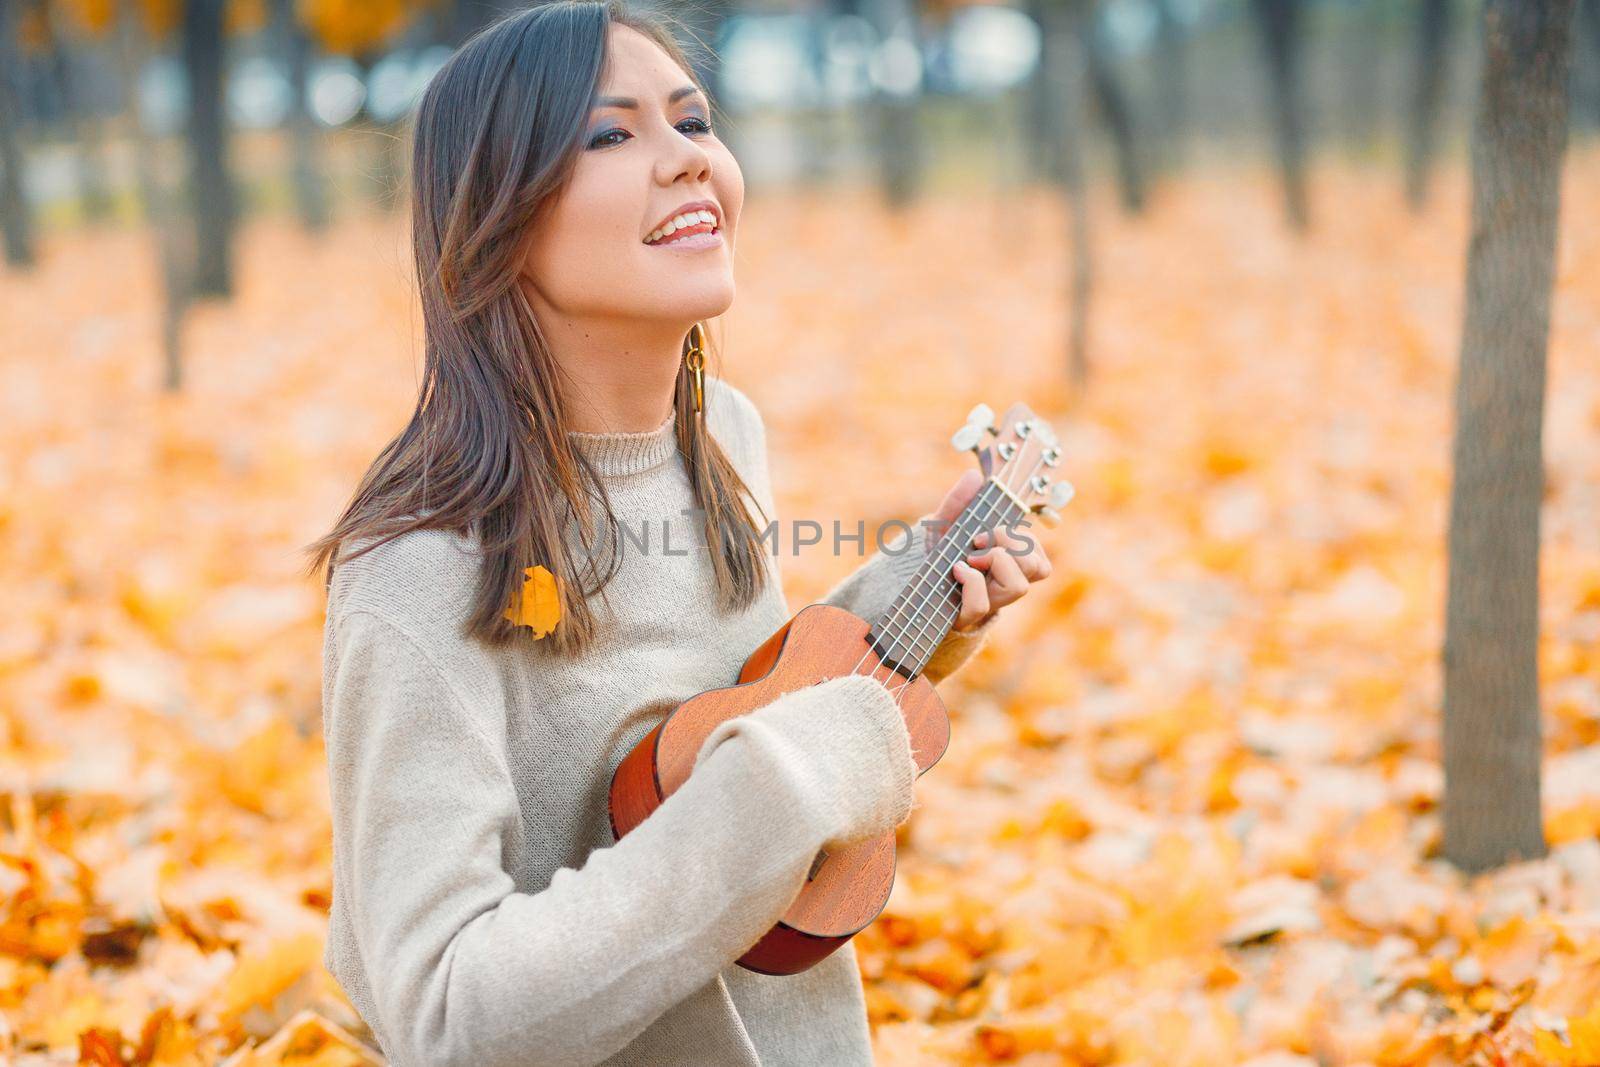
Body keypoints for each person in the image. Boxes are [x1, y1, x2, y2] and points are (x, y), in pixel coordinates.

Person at [303, 3, 1051, 1064]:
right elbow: (445, 1015)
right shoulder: (422, 562)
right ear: (495, 215)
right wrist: (789, 779)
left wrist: (909, 605)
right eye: (610, 135)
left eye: (693, 123)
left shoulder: (724, 437)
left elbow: (716, 723)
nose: (683, 161)